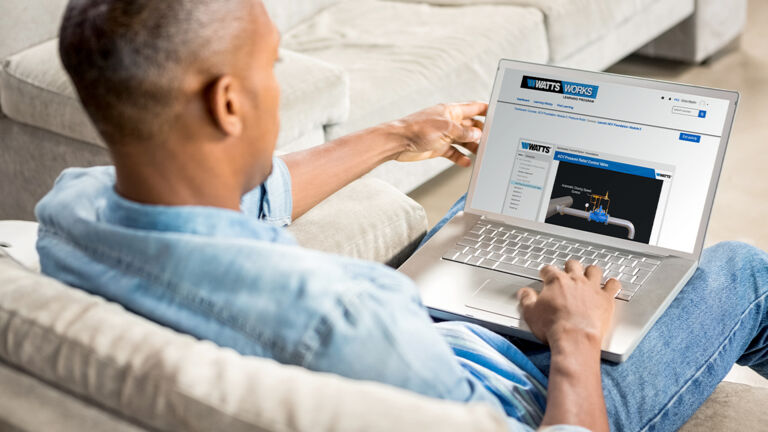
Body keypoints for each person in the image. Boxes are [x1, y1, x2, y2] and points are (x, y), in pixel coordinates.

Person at [35, 1, 768, 431]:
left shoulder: (72, 210)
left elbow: (239, 198)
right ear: (228, 103)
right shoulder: (354, 316)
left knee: (473, 228)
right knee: (743, 272)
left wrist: (397, 137)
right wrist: (574, 338)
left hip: (428, 347)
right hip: (525, 391)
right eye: (271, 67)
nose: (277, 84)